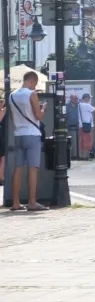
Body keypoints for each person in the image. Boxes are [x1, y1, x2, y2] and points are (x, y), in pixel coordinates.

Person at [8, 70, 48, 210]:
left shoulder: (11, 96)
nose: (34, 87)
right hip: (32, 134)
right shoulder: (32, 94)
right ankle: (32, 202)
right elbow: (38, 116)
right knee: (32, 168)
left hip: (18, 134)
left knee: (17, 168)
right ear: (31, 81)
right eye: (34, 84)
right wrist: (43, 109)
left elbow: (12, 118)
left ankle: (15, 203)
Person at [78, 93, 95, 159]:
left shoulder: (79, 105)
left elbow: (91, 109)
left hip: (81, 125)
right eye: (89, 98)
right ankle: (85, 156)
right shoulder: (86, 105)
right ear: (86, 98)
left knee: (81, 141)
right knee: (87, 140)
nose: (89, 99)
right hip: (87, 125)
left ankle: (81, 155)